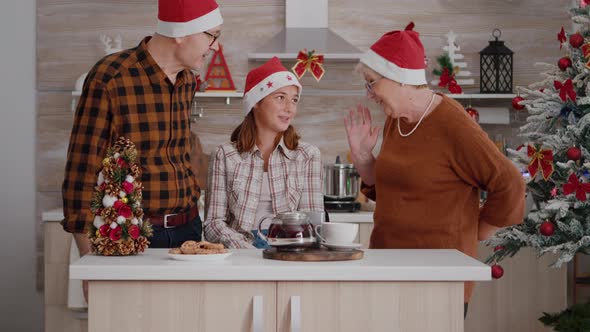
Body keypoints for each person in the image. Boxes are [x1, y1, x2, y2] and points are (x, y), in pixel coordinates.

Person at [343, 22, 525, 317]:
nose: (369, 94)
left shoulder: (452, 123)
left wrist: (479, 230)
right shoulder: (396, 118)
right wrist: (363, 156)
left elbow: (510, 183)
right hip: (387, 268)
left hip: (439, 276)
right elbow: (390, 191)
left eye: (371, 83)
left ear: (398, 79)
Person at [62, 0, 224, 259]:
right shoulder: (111, 77)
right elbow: (82, 171)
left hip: (189, 230)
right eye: (212, 36)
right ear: (181, 33)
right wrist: (87, 261)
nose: (215, 46)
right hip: (130, 234)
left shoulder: (186, 80)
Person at [204, 57, 324, 248]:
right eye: (280, 97)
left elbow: (312, 224)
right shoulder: (225, 155)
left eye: (294, 99)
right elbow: (213, 224)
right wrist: (245, 248)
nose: (290, 108)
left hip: (290, 253)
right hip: (239, 255)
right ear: (256, 102)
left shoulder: (307, 155)